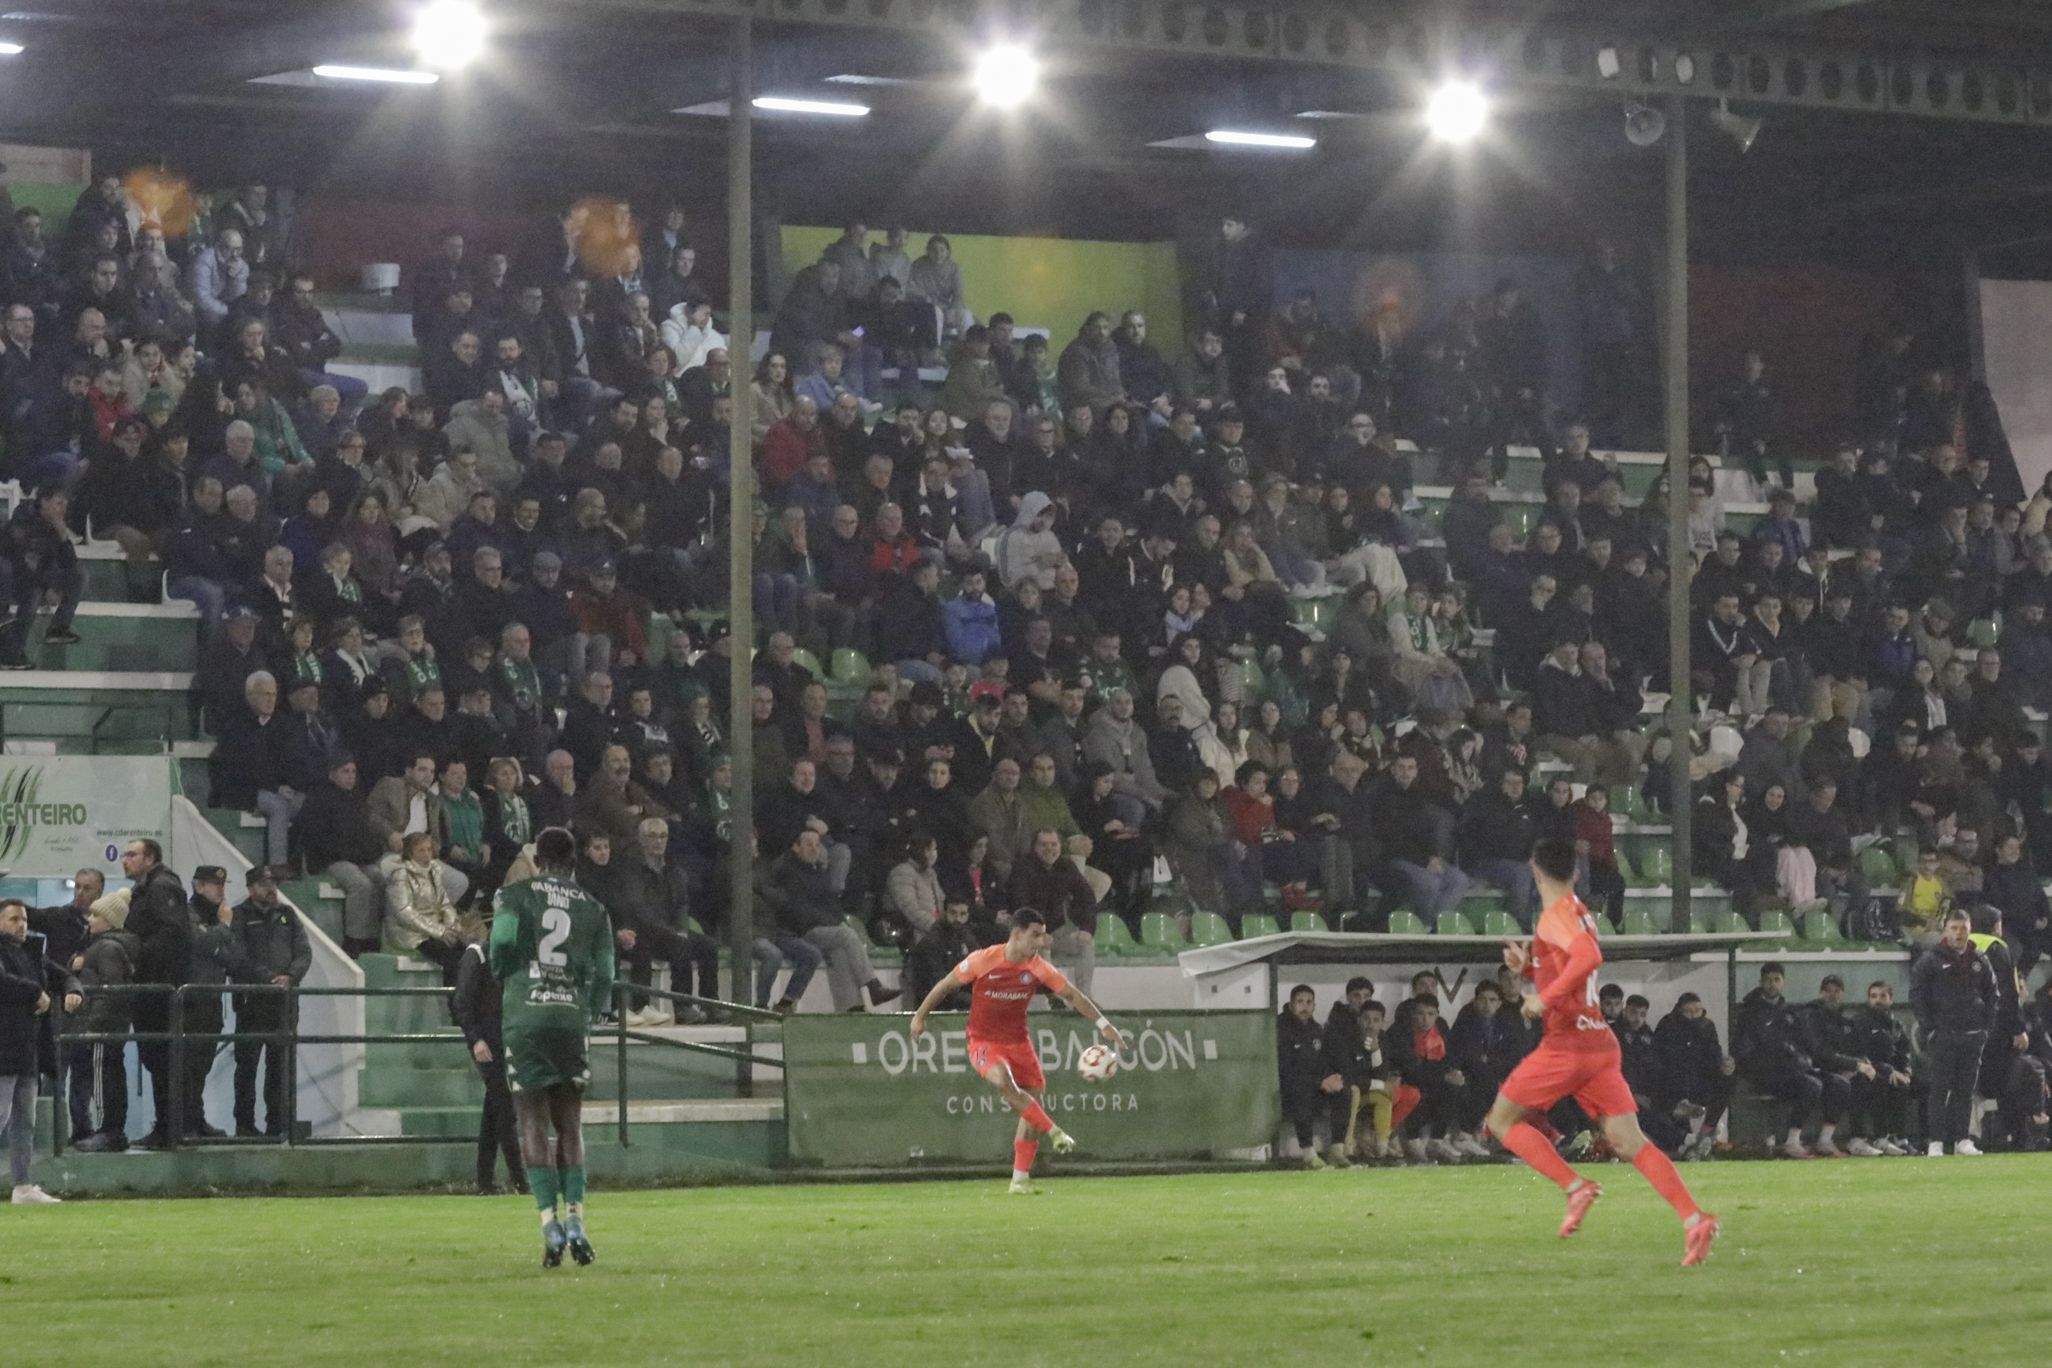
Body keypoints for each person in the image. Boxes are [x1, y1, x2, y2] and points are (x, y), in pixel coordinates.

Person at [1483, 837, 1719, 1267]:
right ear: (1574, 873)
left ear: (1534, 871)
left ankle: (1576, 1187)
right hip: (1600, 1044)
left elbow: (1588, 958)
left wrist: (1544, 997)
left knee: (1500, 1121)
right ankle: (1693, 1218)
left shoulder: (1555, 915)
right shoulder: (1580, 911)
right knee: (1630, 1141)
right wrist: (1531, 969)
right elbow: (1578, 960)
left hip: (1567, 1044)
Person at [908, 907, 1123, 1194]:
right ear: (1016, 934)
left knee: (1031, 1104)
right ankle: (1055, 1131)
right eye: (1035, 935)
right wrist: (919, 1016)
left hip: (1019, 1042)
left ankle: (1019, 1180)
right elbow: (945, 985)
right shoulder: (983, 960)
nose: (1039, 942)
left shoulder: (1037, 967)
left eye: (1042, 936)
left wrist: (1103, 1024)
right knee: (1005, 1084)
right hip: (983, 1041)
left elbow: (1072, 995)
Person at [488, 827, 616, 1267]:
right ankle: (578, 1217)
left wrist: (505, 971)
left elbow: (502, 943)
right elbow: (606, 972)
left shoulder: (514, 895)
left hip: (526, 1015)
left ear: (538, 859)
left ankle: (549, 1223)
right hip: (568, 1018)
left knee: (530, 1120)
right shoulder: (595, 909)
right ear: (575, 861)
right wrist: (593, 1011)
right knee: (570, 1123)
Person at [0, 896, 80, 1202]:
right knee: (2, 1116)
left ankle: (22, 1186)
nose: (21, 925)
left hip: (28, 1049)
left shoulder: (33, 953)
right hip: (4, 1048)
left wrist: (73, 990)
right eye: (13, 919)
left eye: (23, 920)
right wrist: (36, 992)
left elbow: (64, 975)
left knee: (25, 1120)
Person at [229, 865, 310, 1139]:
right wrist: (269, 979)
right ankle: (245, 1126)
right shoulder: (239, 915)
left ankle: (277, 1125)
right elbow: (239, 957)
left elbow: (303, 951)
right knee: (247, 1068)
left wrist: (291, 977)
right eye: (265, 885)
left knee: (280, 1067)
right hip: (252, 1002)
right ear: (251, 889)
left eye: (273, 884)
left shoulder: (288, 915)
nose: (271, 889)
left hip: (284, 1003)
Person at [1910, 908, 1997, 1157]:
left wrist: (1986, 1028)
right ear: (1946, 930)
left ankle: (1962, 1139)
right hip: (1944, 1034)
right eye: (1954, 928)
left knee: (1965, 1090)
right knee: (1940, 1089)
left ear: (1970, 930)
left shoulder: (1980, 959)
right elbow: (1917, 995)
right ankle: (1936, 1141)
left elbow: (1993, 995)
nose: (1959, 933)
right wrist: (1930, 1029)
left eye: (1963, 928)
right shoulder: (1931, 959)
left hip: (1973, 1034)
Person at [120, 838, 189, 1149]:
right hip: (152, 987)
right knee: (156, 1060)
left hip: (159, 989)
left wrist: (136, 957)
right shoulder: (146, 889)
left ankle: (170, 1130)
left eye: (132, 854)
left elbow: (173, 932)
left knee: (162, 1059)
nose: (125, 859)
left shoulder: (161, 887)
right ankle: (167, 1127)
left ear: (150, 858)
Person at [453, 927, 527, 1196]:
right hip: (487, 1040)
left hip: (502, 1038)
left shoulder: (505, 959)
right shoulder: (477, 956)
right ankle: (520, 1181)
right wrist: (476, 1039)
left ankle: (485, 1181)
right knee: (505, 1108)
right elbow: (462, 1001)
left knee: (495, 1109)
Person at [65, 889, 138, 1152]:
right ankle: (100, 1130)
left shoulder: (107, 948)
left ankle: (109, 1131)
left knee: (103, 1078)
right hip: (100, 1025)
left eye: (96, 914)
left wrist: (94, 1027)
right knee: (104, 1076)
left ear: (110, 919)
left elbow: (111, 990)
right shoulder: (101, 946)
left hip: (101, 1028)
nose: (90, 919)